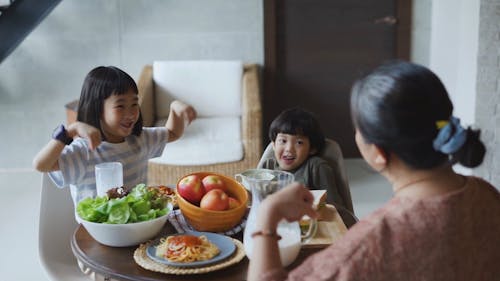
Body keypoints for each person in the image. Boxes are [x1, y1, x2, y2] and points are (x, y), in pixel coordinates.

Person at [248, 61, 500, 281]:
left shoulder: (368, 246)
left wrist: (267, 217)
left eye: (358, 129)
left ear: (378, 153)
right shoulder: (489, 196)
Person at [33, 66, 197, 208]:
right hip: (98, 236)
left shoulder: (139, 139)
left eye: (134, 104)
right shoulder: (85, 152)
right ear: (97, 109)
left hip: (137, 228)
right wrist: (70, 132)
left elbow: (173, 133)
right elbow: (41, 165)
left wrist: (175, 108)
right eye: (120, 106)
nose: (131, 113)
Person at [259, 107, 353, 212]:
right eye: (283, 140)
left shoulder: (316, 167)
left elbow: (335, 208)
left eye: (299, 142)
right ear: (273, 145)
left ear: (312, 149)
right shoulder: (267, 167)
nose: (289, 149)